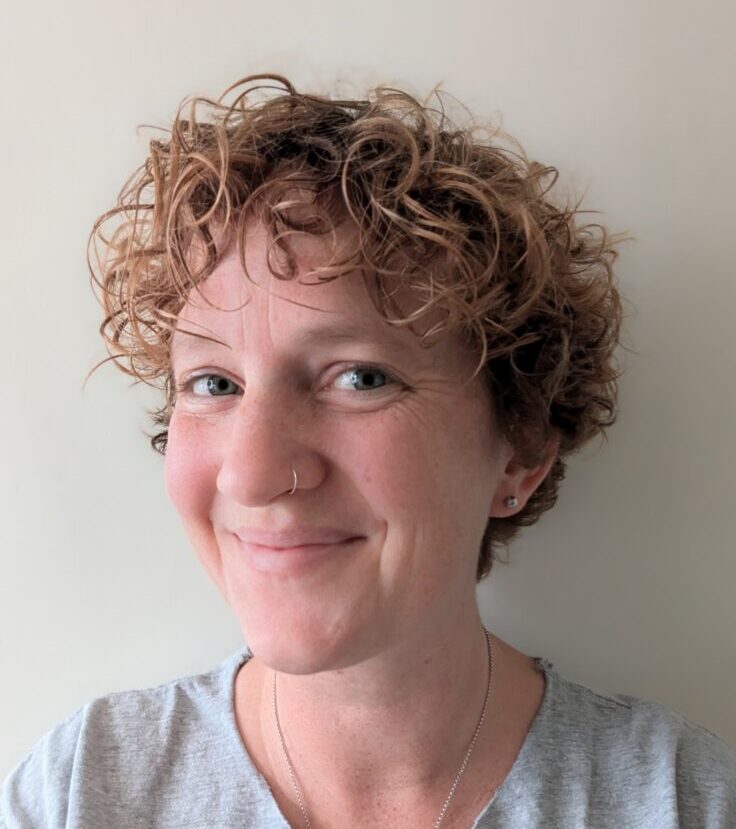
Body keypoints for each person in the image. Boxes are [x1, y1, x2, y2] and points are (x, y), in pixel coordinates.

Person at [2, 73, 734, 829]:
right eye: (214, 381)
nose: (252, 473)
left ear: (519, 452)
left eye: (360, 376)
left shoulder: (680, 802)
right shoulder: (81, 791)